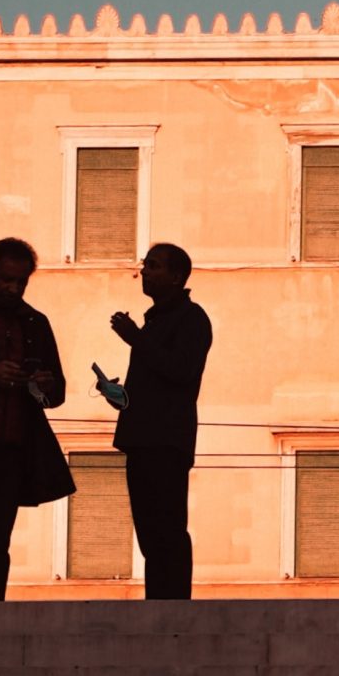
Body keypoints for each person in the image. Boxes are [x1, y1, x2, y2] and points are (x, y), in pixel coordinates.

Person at [109, 243, 212, 600]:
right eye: (145, 265)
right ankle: (160, 601)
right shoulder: (156, 323)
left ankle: (173, 604)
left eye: (153, 266)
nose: (145, 271)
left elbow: (181, 371)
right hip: (142, 438)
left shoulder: (192, 319)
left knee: (167, 528)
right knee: (150, 531)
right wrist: (119, 396)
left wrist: (136, 339)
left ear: (176, 276)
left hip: (166, 441)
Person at [0, 238, 74, 601]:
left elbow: (55, 395)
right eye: (6, 280)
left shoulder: (36, 323)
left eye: (20, 282)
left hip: (11, 448)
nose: (13, 288)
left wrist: (44, 384)